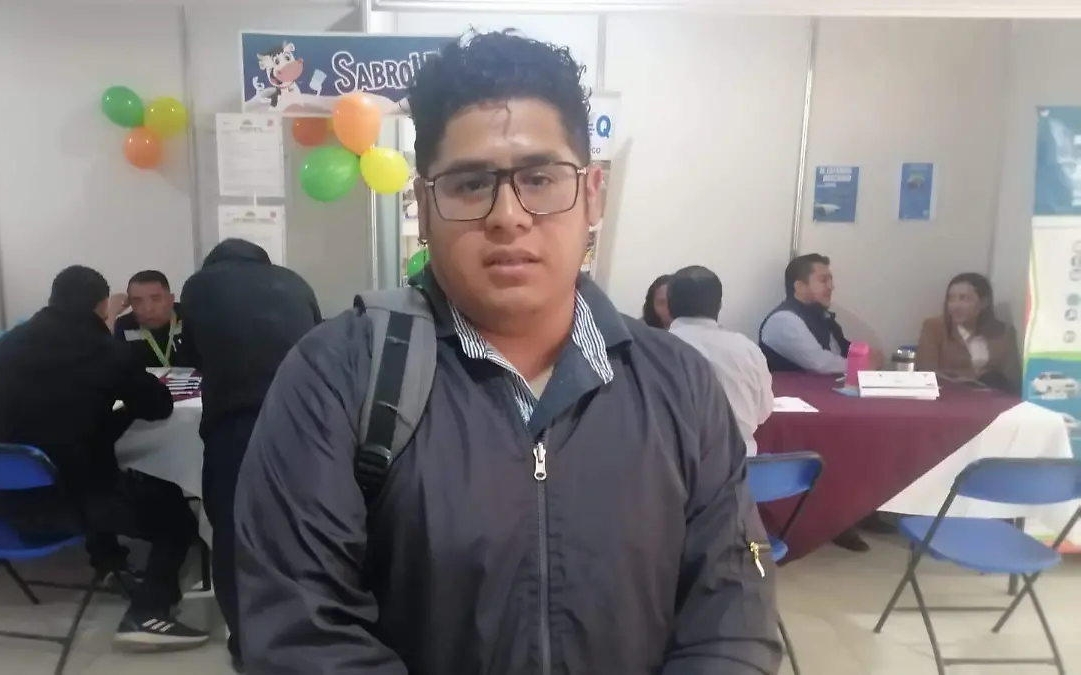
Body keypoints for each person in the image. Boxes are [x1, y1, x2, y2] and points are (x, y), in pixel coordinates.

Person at [234, 30, 780, 675]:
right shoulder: (337, 375)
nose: (509, 216)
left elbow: (730, 615)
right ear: (424, 206)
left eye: (540, 178)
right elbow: (301, 633)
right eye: (470, 184)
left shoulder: (679, 384)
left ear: (593, 194)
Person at [0, 265, 208, 648]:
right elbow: (158, 406)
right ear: (104, 305)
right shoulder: (104, 350)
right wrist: (122, 410)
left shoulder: (8, 344)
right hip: (74, 501)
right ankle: (149, 613)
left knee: (87, 463)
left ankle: (109, 563)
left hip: (10, 499)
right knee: (175, 515)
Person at [179, 238, 321, 672]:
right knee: (300, 530)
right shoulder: (294, 282)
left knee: (232, 532)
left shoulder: (199, 286)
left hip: (236, 423)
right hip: (304, 423)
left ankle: (246, 645)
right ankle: (305, 632)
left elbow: (192, 355)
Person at [758, 254, 884, 551]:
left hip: (826, 403)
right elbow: (821, 364)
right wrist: (865, 364)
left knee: (868, 438)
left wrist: (864, 360)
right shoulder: (784, 320)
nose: (831, 286)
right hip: (796, 413)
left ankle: (860, 509)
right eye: (823, 279)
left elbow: (845, 354)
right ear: (799, 286)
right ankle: (836, 520)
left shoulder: (819, 316)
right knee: (840, 447)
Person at [668, 266, 772, 456]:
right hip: (741, 464)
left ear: (669, 304)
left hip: (673, 463)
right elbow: (763, 412)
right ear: (719, 304)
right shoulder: (747, 349)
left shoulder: (653, 348)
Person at [916, 272, 1021, 393]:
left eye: (963, 299)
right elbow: (926, 373)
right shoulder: (934, 327)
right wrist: (974, 380)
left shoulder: (1003, 331)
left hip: (993, 396)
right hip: (950, 394)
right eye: (951, 299)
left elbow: (1013, 378)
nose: (955, 306)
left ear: (984, 302)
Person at [113, 270, 190, 369]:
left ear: (171, 300)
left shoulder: (190, 318)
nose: (148, 308)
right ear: (129, 302)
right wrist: (111, 313)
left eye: (155, 299)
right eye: (137, 301)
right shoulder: (124, 326)